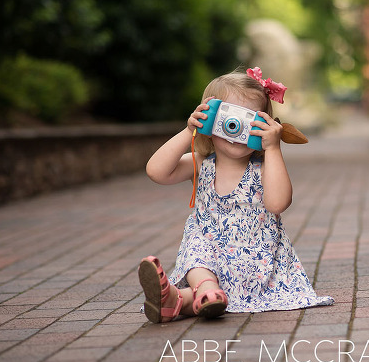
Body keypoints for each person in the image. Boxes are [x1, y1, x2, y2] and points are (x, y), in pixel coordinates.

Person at [138, 67, 333, 322]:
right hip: (206, 256)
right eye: (229, 119)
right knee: (198, 248)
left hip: (252, 259)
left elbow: (278, 203)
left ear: (265, 125)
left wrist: (273, 148)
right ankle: (205, 293)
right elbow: (156, 171)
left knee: (201, 276)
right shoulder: (200, 162)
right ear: (209, 119)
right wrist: (189, 131)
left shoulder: (264, 170)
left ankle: (178, 300)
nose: (236, 129)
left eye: (250, 121)